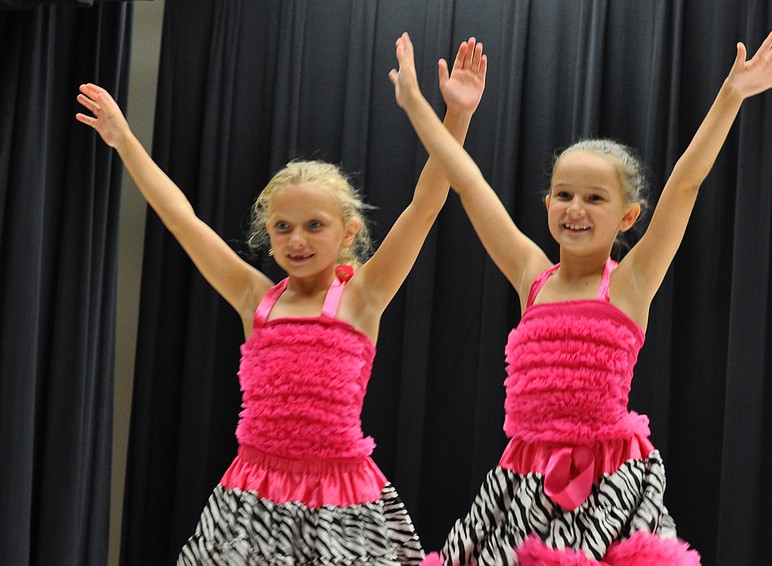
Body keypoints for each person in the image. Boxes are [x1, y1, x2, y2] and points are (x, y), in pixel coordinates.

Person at [389, 29, 772, 565]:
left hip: (608, 479)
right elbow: (468, 183)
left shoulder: (630, 282)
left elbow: (686, 183)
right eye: (563, 195)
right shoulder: (531, 275)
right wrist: (430, 110)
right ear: (547, 204)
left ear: (627, 216)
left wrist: (730, 97)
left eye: (594, 198)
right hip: (525, 477)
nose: (574, 209)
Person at [76, 35, 487, 565]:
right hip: (253, 494)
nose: (296, 240)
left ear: (347, 233)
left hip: (340, 496)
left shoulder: (362, 296)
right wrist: (124, 140)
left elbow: (427, 202)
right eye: (283, 227)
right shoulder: (256, 298)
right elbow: (181, 218)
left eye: (314, 226)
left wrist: (457, 117)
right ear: (267, 234)